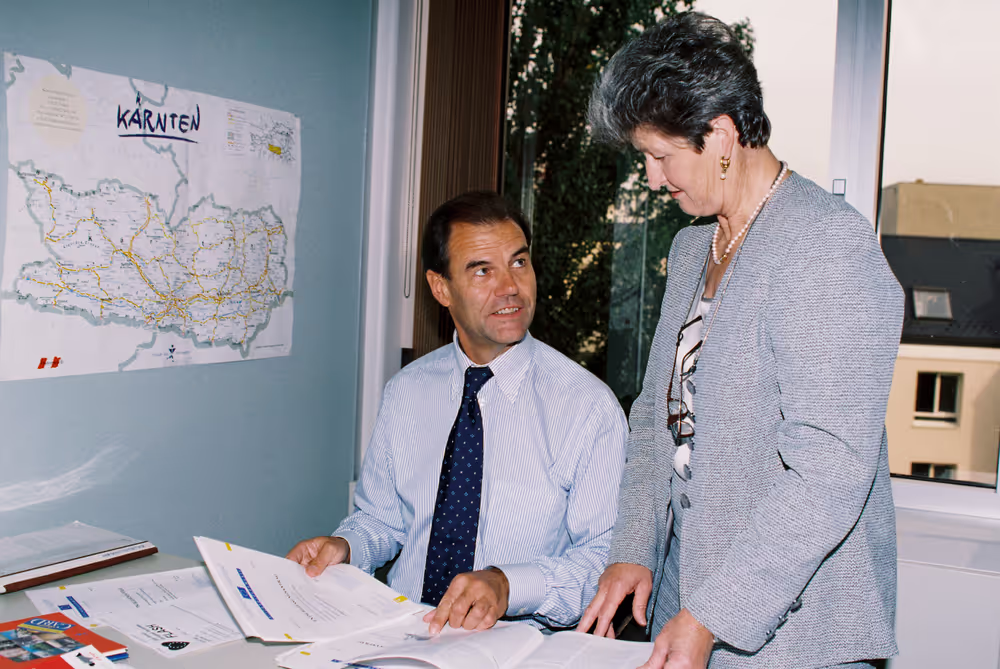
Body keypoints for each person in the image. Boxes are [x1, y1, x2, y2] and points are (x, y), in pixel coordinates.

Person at [576, 12, 903, 669]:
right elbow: (656, 421)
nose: (652, 178)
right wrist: (635, 548)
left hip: (797, 633)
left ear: (721, 136)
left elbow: (829, 469)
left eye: (661, 156)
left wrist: (715, 612)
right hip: (685, 597)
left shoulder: (825, 245)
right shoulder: (691, 248)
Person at [287, 191, 627, 634]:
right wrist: (346, 546)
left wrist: (508, 585)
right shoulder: (406, 391)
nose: (510, 286)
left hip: (515, 649)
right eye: (483, 270)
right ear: (440, 288)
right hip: (400, 633)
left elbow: (605, 561)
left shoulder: (587, 406)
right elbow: (380, 520)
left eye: (519, 262)